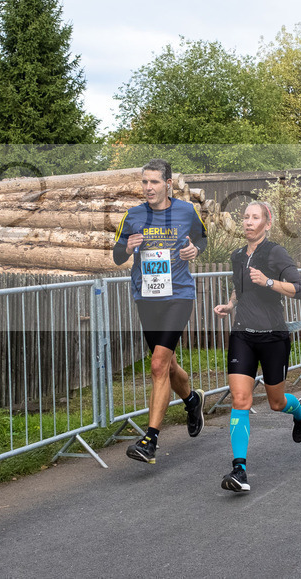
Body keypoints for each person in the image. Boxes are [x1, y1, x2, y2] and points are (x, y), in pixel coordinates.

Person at [112, 159, 208, 464]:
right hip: (147, 298)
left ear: (168, 183)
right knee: (165, 366)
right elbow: (116, 255)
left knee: (157, 364)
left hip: (178, 296)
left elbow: (203, 238)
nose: (148, 188)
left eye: (154, 182)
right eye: (144, 182)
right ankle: (192, 400)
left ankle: (149, 440)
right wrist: (127, 248)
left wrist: (195, 250)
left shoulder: (187, 211)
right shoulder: (133, 215)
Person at [213, 201, 301, 493]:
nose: (248, 222)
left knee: (276, 402)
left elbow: (300, 289)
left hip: (273, 336)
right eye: (245, 217)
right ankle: (239, 469)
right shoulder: (237, 255)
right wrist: (230, 304)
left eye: (255, 218)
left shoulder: (275, 252)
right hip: (243, 335)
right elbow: (239, 287)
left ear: (267, 224)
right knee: (240, 400)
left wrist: (269, 281)